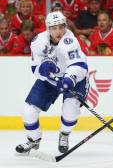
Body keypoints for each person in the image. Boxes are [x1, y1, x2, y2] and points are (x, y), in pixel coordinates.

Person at [15, 11, 89, 154]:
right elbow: (34, 68)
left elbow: (79, 66)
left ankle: (64, 134)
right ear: (48, 29)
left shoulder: (70, 40)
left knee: (71, 110)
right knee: (28, 112)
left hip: (74, 78)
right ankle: (33, 140)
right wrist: (42, 68)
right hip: (51, 79)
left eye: (61, 27)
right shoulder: (38, 42)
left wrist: (69, 79)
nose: (58, 31)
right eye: (54, 28)